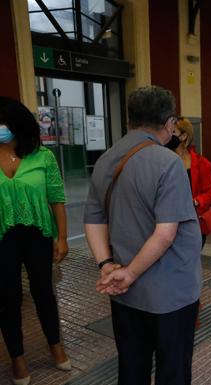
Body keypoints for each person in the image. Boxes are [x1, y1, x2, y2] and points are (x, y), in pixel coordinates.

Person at [84, 86, 202, 385]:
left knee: (132, 368)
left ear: (130, 120)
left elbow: (93, 219)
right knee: (172, 371)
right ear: (170, 123)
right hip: (169, 295)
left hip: (124, 294)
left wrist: (107, 266)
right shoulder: (168, 162)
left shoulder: (106, 159)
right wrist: (131, 274)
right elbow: (165, 234)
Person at [0, 97, 71, 385]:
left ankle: (55, 346)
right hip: (2, 238)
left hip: (38, 234)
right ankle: (17, 359)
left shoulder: (42, 156)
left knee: (44, 293)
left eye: (3, 124)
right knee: (7, 300)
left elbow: (56, 198)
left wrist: (62, 237)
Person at [165, 117, 211, 247]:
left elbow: (209, 193)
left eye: (173, 132)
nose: (168, 136)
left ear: (184, 136)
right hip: (167, 221)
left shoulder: (202, 163)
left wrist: (196, 201)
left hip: (192, 221)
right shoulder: (162, 160)